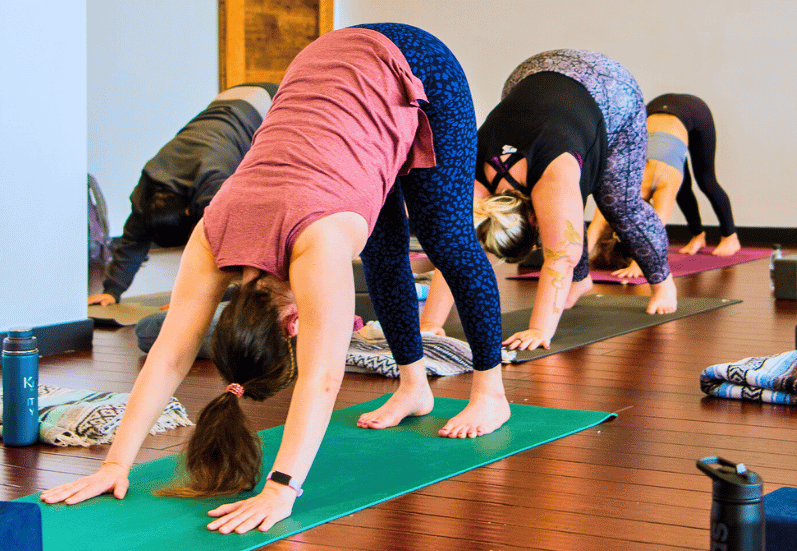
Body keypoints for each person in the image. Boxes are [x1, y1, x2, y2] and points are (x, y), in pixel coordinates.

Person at [41, 23, 509, 535]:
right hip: (325, 75)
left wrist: (282, 488)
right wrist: (115, 466)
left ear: (289, 326)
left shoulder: (316, 242)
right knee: (382, 249)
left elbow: (323, 377)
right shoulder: (212, 230)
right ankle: (414, 386)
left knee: (446, 237)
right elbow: (169, 353)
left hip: (413, 61)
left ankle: (492, 392)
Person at [420, 49, 678, 351]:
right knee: (564, 214)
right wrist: (430, 324)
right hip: (533, 72)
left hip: (609, 88)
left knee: (618, 203)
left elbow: (560, 256)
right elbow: (457, 249)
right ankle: (581, 282)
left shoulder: (551, 179)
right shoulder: (474, 182)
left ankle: (663, 285)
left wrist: (539, 329)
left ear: (533, 220)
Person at [88, 82, 278, 305]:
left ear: (190, 211)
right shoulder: (146, 195)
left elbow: (218, 251)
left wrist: (187, 302)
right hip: (233, 100)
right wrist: (112, 291)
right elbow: (132, 243)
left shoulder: (213, 184)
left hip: (267, 104)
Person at [587, 93, 740, 278]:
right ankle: (698, 236)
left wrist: (640, 264)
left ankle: (730, 237)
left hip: (693, 110)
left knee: (706, 180)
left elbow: (655, 230)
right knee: (681, 186)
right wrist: (573, 265)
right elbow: (594, 229)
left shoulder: (656, 184)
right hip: (657, 108)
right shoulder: (619, 189)